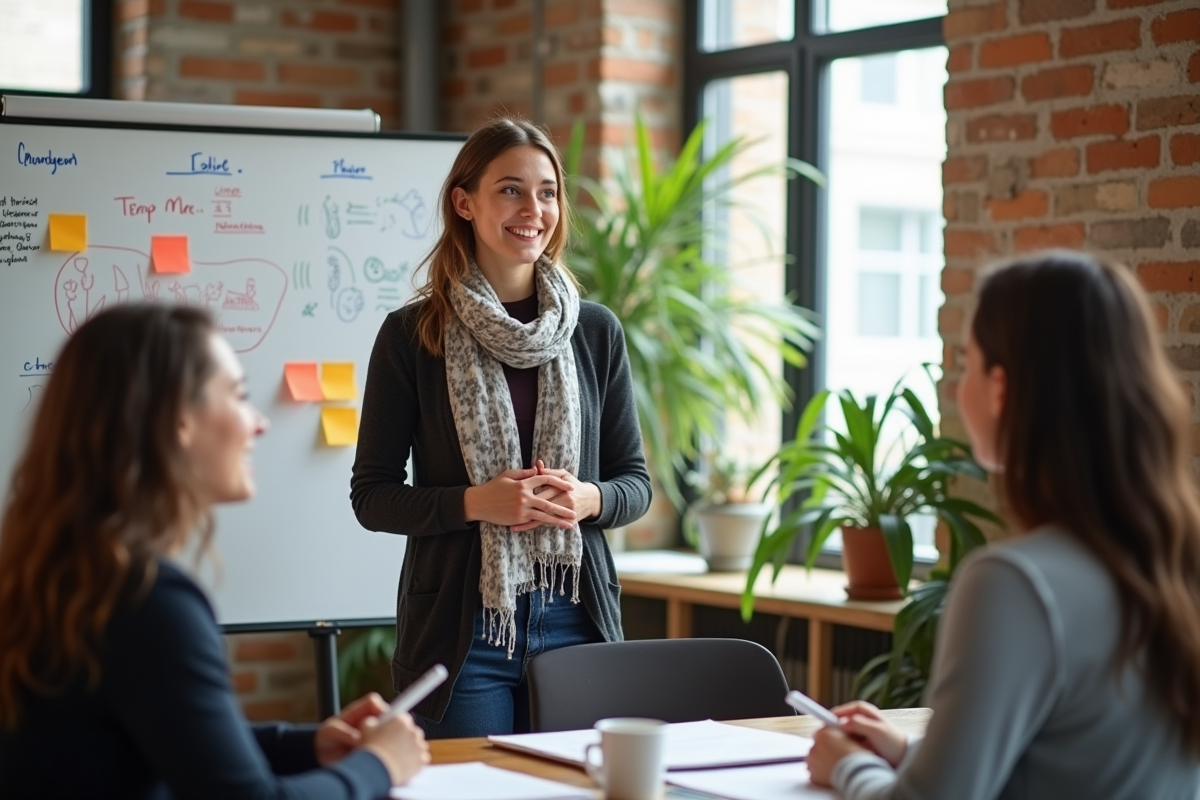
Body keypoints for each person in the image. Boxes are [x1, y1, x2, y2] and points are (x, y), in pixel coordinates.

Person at [806, 250, 1200, 799]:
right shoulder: (1176, 560)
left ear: (1001, 387)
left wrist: (846, 765)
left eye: (966, 363)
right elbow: (1075, 764)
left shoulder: (1013, 582)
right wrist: (910, 753)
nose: (957, 384)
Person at [0, 304, 429, 799]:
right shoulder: (148, 601)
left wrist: (307, 745)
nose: (260, 423)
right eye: (240, 397)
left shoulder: (70, 573)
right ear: (178, 421)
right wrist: (378, 765)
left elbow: (161, 735)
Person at [350, 117, 652, 738]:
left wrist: (588, 498)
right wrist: (475, 503)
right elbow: (372, 495)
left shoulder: (595, 332)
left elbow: (635, 484)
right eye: (510, 189)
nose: (533, 209)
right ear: (464, 202)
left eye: (547, 192)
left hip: (577, 618)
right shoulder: (412, 336)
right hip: (462, 633)